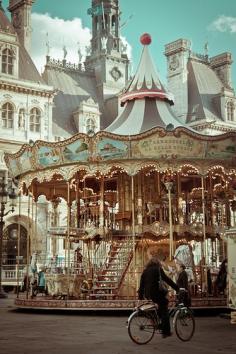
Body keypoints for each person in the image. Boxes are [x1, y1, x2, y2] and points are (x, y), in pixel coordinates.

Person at [138, 252, 179, 338]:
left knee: (159, 306)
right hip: (156, 292)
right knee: (164, 306)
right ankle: (166, 331)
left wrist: (140, 296)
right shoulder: (158, 269)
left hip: (148, 294)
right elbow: (167, 280)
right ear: (157, 263)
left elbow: (141, 284)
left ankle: (159, 323)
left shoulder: (145, 271)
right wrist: (177, 288)